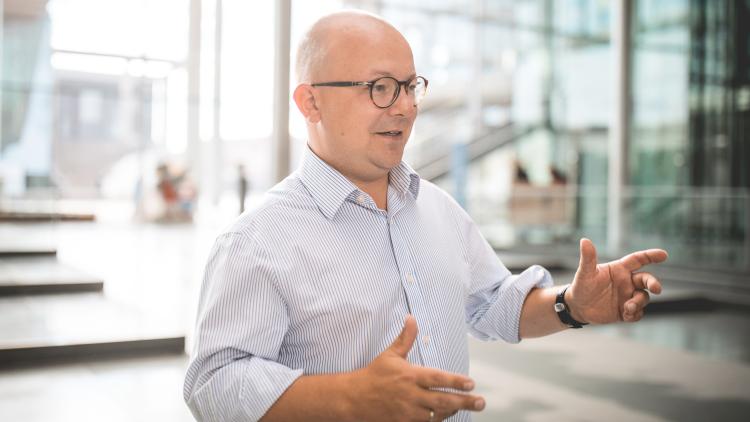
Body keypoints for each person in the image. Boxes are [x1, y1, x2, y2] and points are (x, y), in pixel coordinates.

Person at [183, 11, 667, 422]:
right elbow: (213, 382)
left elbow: (492, 302)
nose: (407, 108)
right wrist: (350, 397)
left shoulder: (436, 208)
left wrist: (571, 305)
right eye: (380, 88)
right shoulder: (257, 239)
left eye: (411, 86)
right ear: (310, 102)